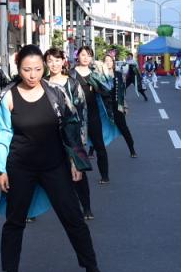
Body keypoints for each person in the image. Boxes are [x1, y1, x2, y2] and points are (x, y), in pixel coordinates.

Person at [0, 45, 109, 272]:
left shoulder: (55, 93)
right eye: (26, 70)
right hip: (20, 167)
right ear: (18, 68)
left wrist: (76, 161)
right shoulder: (8, 95)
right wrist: (1, 170)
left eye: (37, 69)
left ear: (44, 67)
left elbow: (71, 126)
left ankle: (92, 268)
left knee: (73, 217)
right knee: (15, 221)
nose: (32, 75)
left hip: (55, 166)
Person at [45, 48, 94, 220]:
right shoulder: (42, 84)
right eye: (50, 60)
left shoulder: (72, 83)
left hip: (72, 134)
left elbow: (82, 111)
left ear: (63, 61)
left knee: (78, 172)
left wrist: (82, 139)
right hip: (50, 137)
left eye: (57, 60)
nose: (54, 64)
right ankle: (33, 209)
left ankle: (86, 207)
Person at [71, 46, 114, 184]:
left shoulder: (95, 73)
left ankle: (105, 175)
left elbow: (107, 90)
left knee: (99, 146)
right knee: (76, 147)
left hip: (93, 113)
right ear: (78, 56)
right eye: (83, 55)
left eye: (89, 55)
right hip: (76, 115)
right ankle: (77, 174)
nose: (86, 58)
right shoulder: (70, 74)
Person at [98, 52, 137, 158]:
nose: (108, 63)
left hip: (116, 106)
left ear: (113, 62)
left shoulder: (118, 75)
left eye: (110, 61)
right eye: (106, 61)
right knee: (98, 128)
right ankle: (92, 150)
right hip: (103, 107)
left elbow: (122, 91)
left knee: (123, 128)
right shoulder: (100, 76)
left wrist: (123, 105)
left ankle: (132, 149)